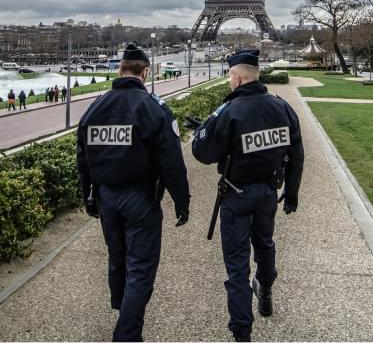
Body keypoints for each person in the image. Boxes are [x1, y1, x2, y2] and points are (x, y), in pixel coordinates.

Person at [77, 42, 190, 342]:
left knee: (118, 258)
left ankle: (123, 310)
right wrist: (182, 200)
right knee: (140, 268)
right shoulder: (153, 108)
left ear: (120, 69)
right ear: (145, 72)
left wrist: (87, 193)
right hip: (140, 197)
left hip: (106, 197)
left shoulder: (95, 107)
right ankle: (126, 334)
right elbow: (172, 161)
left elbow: (82, 156)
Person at [192, 49, 304, 342]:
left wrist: (205, 131)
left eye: (230, 77)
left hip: (236, 195)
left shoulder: (230, 112)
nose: (230, 82)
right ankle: (265, 287)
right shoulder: (282, 108)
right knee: (265, 244)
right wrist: (291, 192)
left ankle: (242, 331)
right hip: (268, 191)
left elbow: (204, 154)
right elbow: (297, 154)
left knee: (237, 266)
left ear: (238, 78)